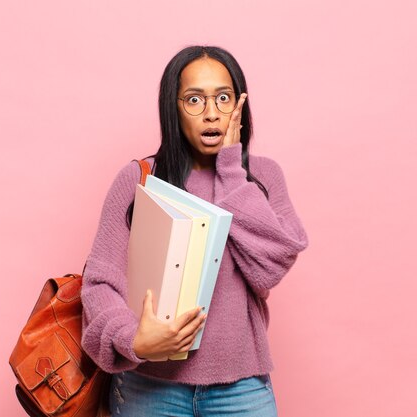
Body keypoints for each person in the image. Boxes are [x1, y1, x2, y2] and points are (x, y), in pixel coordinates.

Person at [81, 45, 308, 416]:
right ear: (173, 107)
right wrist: (133, 339)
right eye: (194, 100)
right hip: (149, 386)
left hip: (242, 387)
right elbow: (101, 282)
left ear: (240, 105)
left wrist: (231, 170)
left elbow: (270, 267)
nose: (211, 113)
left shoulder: (263, 177)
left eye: (222, 98)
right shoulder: (140, 178)